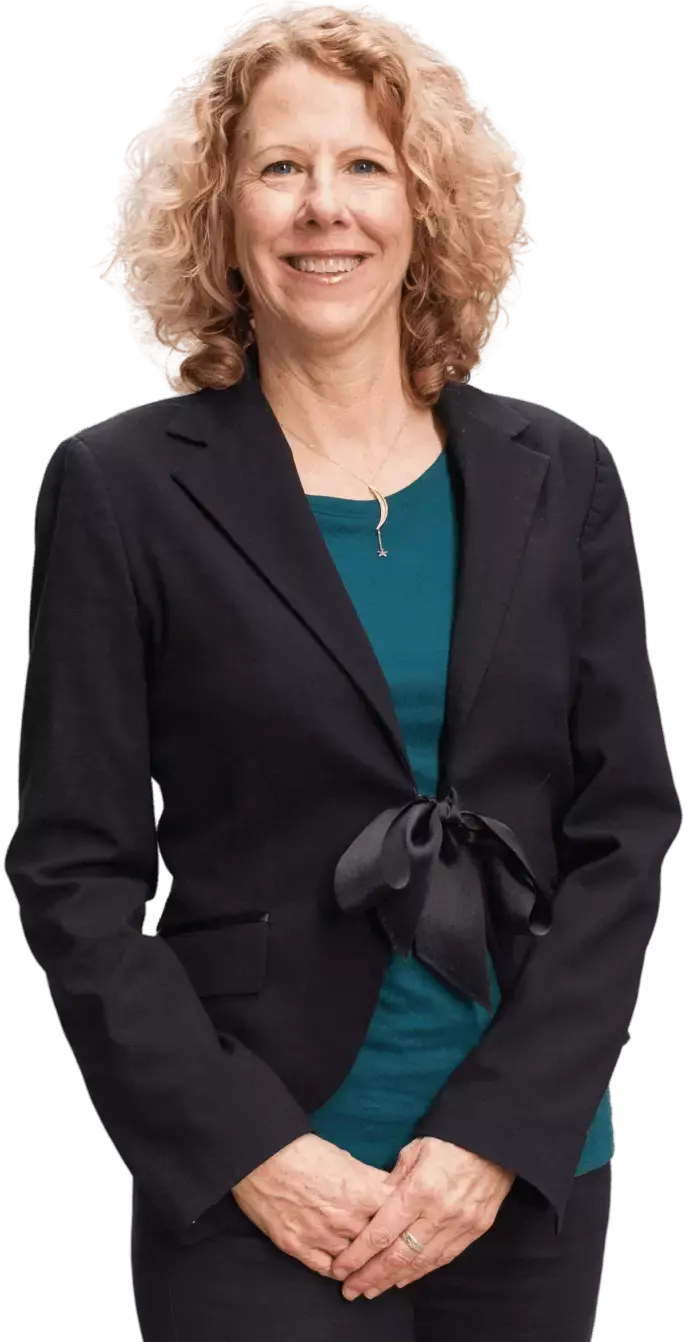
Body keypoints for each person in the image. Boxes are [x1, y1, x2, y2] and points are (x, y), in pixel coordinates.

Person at [6, 3, 682, 1339]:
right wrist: (249, 1149)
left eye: (366, 165)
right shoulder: (118, 487)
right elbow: (73, 869)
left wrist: (498, 1133)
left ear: (425, 207)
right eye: (281, 167)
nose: (326, 208)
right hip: (261, 1174)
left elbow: (628, 829)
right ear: (222, 214)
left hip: (524, 1167)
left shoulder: (566, 475)